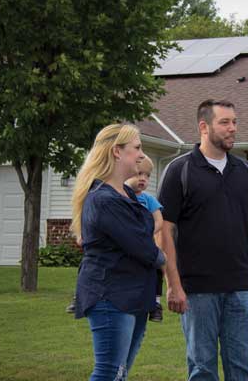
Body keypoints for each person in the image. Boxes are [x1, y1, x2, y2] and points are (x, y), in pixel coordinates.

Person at [158, 99, 248, 381]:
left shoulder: (246, 172)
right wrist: (173, 284)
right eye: (225, 122)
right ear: (203, 126)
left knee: (242, 370)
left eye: (234, 122)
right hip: (197, 290)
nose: (232, 128)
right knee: (202, 370)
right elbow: (164, 231)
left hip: (240, 289)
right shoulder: (179, 170)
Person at [71, 123, 166, 381]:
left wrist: (149, 241)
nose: (141, 155)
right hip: (111, 296)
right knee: (108, 374)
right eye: (137, 148)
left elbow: (144, 232)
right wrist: (161, 256)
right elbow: (145, 247)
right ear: (116, 152)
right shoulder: (103, 199)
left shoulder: (125, 193)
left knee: (119, 374)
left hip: (134, 295)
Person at [125, 154, 165, 322]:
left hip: (146, 243)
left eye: (147, 176)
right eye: (139, 174)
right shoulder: (121, 196)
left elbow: (159, 221)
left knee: (158, 264)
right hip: (127, 245)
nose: (143, 179)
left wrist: (148, 232)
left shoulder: (149, 199)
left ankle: (156, 304)